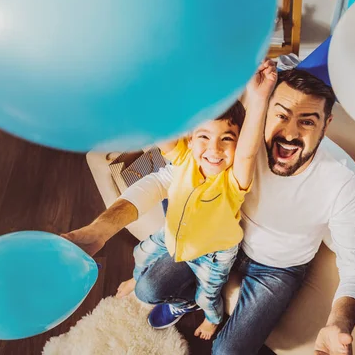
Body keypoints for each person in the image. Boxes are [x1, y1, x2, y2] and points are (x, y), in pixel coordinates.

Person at [63, 68, 355, 355]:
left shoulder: (343, 181)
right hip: (217, 236)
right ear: (264, 112)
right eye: (281, 115)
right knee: (148, 288)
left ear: (326, 124)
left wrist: (338, 323)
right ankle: (185, 302)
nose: (289, 134)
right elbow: (166, 178)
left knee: (227, 351)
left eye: (307, 121)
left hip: (277, 268)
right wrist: (100, 229)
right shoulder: (240, 143)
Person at [114, 60, 277, 339]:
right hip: (173, 236)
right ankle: (138, 277)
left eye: (227, 138)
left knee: (207, 297)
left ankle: (205, 315)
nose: (214, 149)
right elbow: (161, 130)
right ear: (190, 139)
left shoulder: (232, 181)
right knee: (139, 254)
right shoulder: (184, 158)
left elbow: (248, 152)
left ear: (237, 145)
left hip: (213, 255)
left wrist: (260, 97)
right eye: (204, 136)